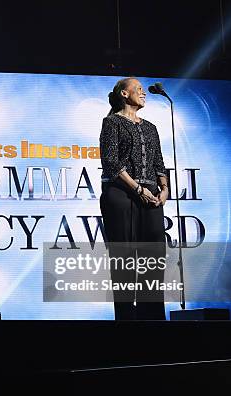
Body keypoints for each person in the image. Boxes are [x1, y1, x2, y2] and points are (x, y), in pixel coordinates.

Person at [99, 77, 169, 320]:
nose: (143, 92)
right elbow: (110, 162)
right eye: (138, 89)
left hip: (151, 197)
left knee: (154, 257)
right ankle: (127, 321)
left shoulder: (151, 127)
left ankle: (154, 320)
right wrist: (137, 189)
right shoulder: (111, 122)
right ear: (124, 94)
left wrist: (164, 188)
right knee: (124, 259)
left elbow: (159, 161)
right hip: (121, 194)